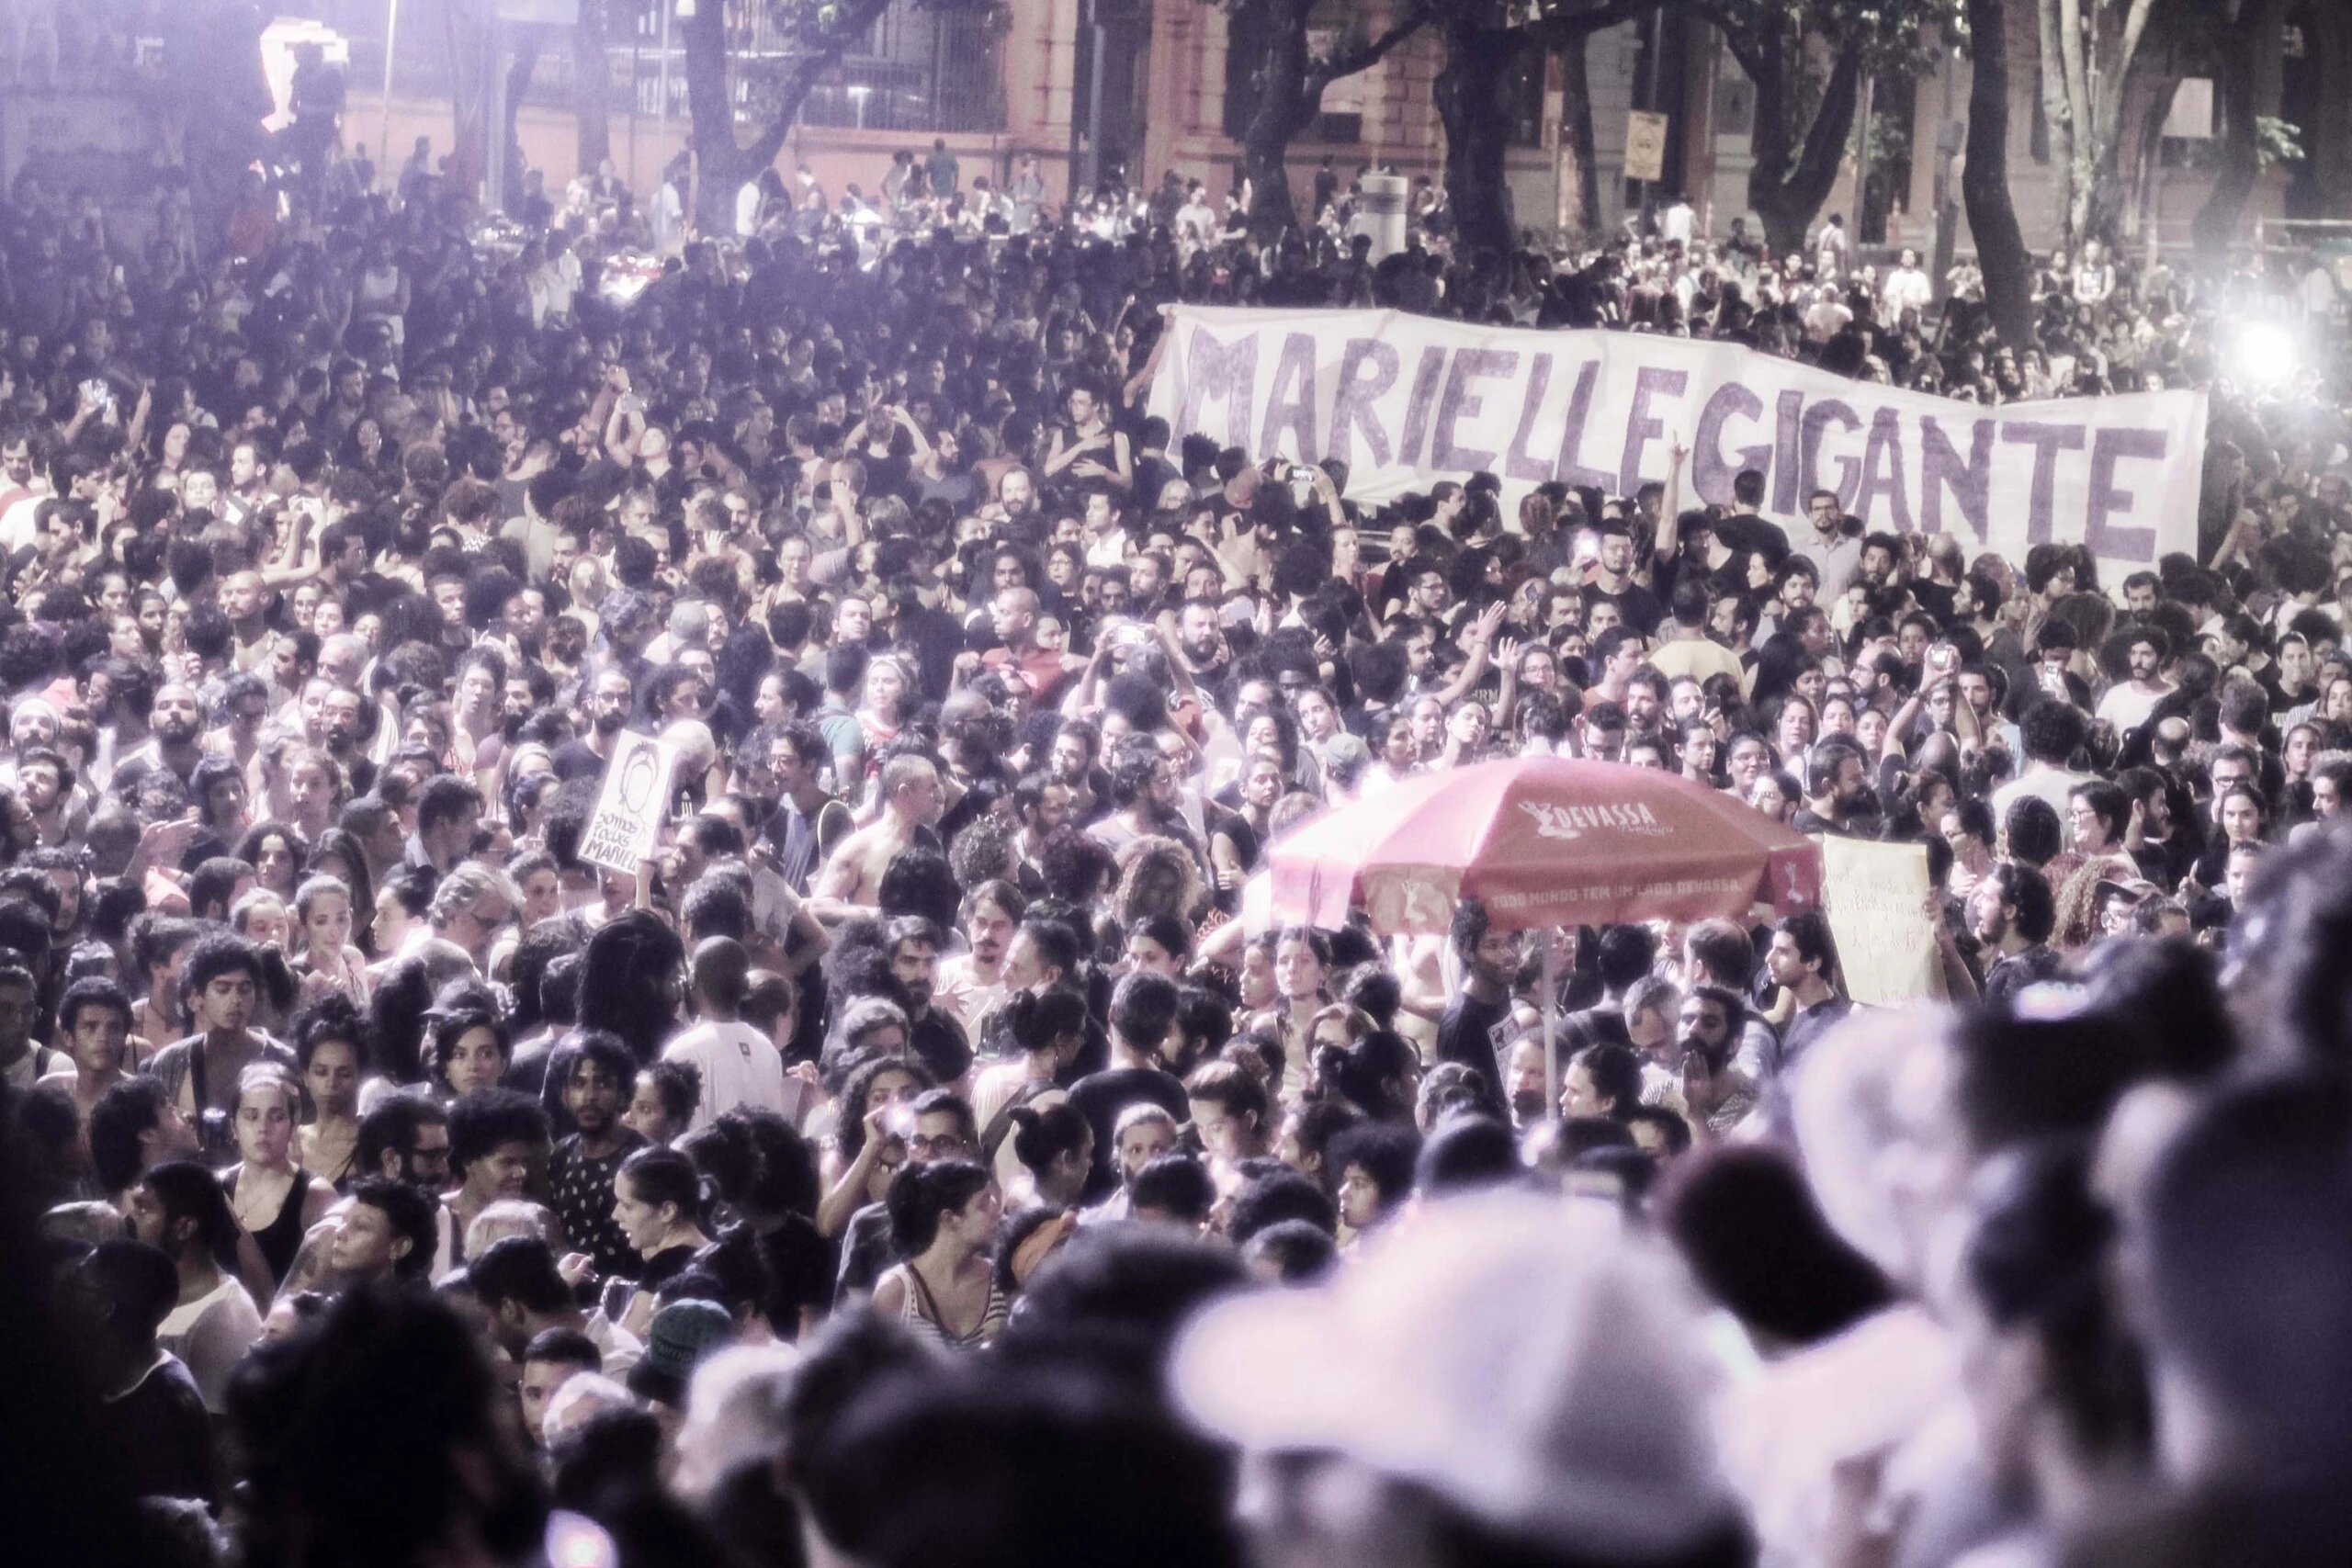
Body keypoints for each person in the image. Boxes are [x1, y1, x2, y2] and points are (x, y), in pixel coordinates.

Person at [127, 1161, 264, 1412]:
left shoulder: (224, 1321)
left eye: (144, 1209)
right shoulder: (147, 1286)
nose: (131, 1217)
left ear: (184, 1227)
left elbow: (220, 1435)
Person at [870, 1158, 1007, 1348]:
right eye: (983, 1204)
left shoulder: (1001, 1279)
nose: (997, 1211)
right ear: (949, 1219)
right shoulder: (894, 1292)